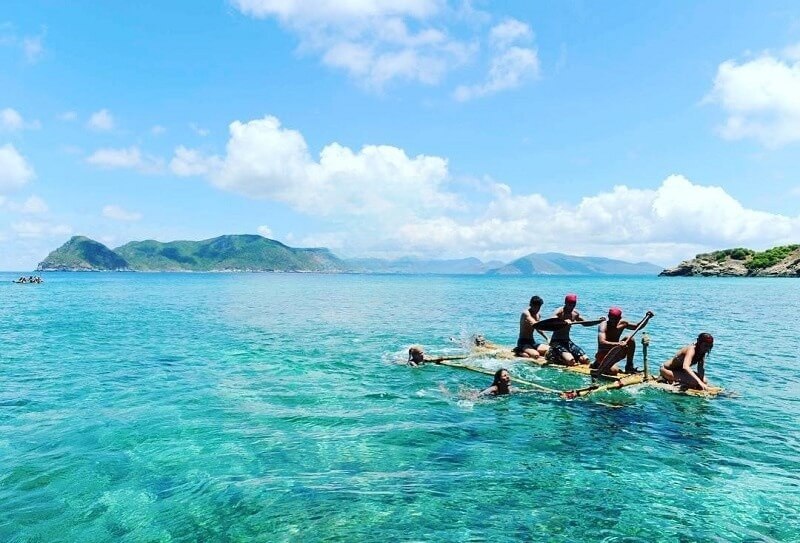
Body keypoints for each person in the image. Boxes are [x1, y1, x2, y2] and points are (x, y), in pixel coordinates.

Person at [545, 293, 605, 366]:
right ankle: (553, 353)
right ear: (565, 302)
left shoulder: (575, 313)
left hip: (567, 341)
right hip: (556, 341)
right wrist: (563, 321)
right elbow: (551, 320)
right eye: (570, 304)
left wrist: (598, 321)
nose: (572, 306)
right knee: (571, 361)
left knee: (585, 360)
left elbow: (585, 323)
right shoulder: (560, 311)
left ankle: (564, 355)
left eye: (573, 304)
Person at [593, 308, 654, 375]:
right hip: (603, 353)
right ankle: (598, 363)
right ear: (608, 316)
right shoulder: (603, 325)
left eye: (615, 319)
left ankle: (629, 367)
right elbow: (602, 342)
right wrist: (618, 344)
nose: (613, 321)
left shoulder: (623, 323)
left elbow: (637, 327)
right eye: (611, 318)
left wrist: (647, 318)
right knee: (614, 371)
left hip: (616, 352)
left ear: (619, 318)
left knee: (630, 339)